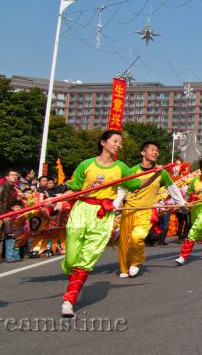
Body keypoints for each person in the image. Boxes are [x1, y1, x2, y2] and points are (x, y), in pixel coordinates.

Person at [60, 130, 153, 318]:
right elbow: (75, 189)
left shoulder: (121, 167)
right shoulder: (85, 164)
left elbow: (136, 186)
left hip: (102, 215)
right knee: (71, 259)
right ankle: (73, 272)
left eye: (120, 142)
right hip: (81, 210)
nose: (118, 144)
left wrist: (153, 175)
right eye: (115, 141)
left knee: (87, 258)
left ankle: (69, 300)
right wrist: (56, 198)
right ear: (103, 142)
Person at [115, 141, 185, 278]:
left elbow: (172, 188)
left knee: (137, 237)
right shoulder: (132, 171)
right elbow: (122, 188)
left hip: (146, 210)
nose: (155, 152)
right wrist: (117, 202)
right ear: (143, 153)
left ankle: (135, 262)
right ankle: (123, 268)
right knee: (124, 241)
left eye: (157, 151)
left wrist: (182, 202)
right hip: (129, 208)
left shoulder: (161, 173)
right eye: (152, 150)